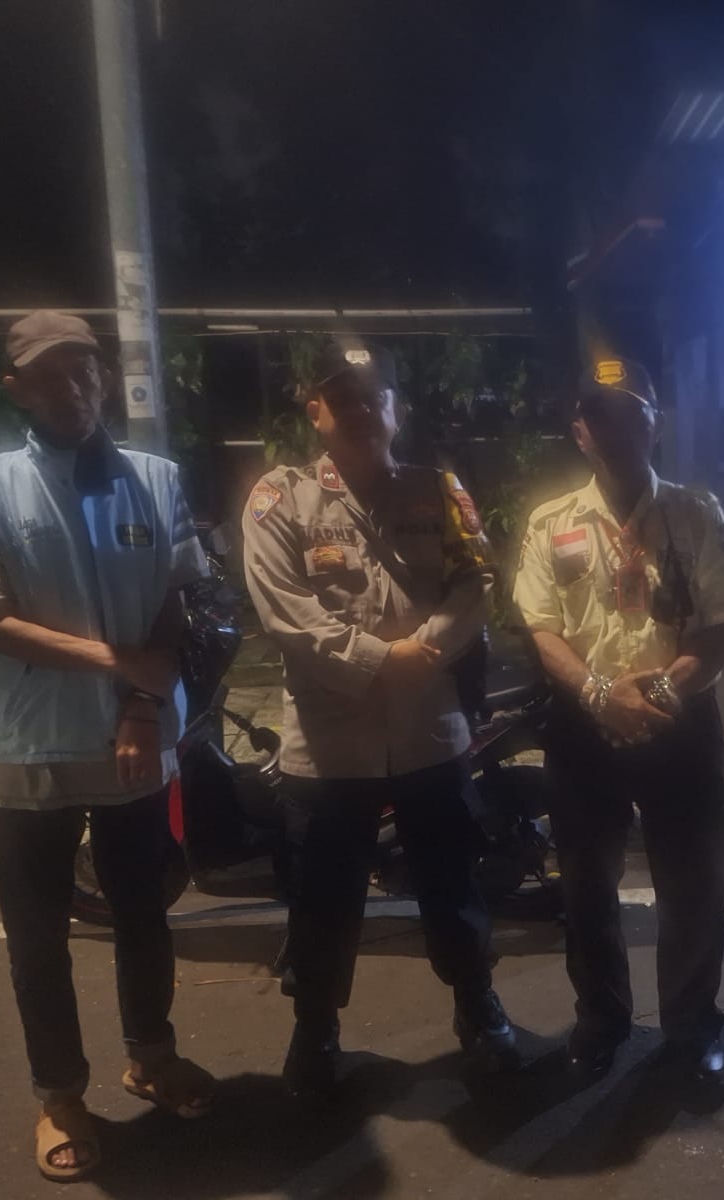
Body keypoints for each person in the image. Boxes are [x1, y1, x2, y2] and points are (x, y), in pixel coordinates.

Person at [0, 311, 216, 1182]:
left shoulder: (156, 479)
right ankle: (60, 1097)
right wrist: (116, 660)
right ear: (16, 387)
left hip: (134, 739)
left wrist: (140, 702)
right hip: (29, 746)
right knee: (38, 938)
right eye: (51, 375)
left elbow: (175, 601)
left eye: (86, 370)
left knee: (144, 913)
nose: (75, 388)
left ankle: (151, 1055)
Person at [239, 337, 518, 1102]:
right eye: (344, 398)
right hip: (329, 745)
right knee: (323, 900)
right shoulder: (281, 499)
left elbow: (477, 584)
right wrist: (378, 659)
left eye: (373, 397)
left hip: (430, 731)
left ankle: (477, 1004)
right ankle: (315, 1029)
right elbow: (285, 613)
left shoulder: (437, 490)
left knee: (453, 886)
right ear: (316, 411)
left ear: (396, 408)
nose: (361, 410)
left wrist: (427, 648)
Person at [513, 358, 724, 1092]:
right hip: (583, 730)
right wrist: (600, 694)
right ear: (580, 430)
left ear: (657, 424)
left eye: (632, 414)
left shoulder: (696, 514)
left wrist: (662, 690)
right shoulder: (550, 522)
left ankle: (691, 1028)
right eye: (600, 416)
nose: (616, 430)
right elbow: (543, 630)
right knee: (586, 887)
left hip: (680, 724)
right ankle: (601, 1021)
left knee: (694, 886)